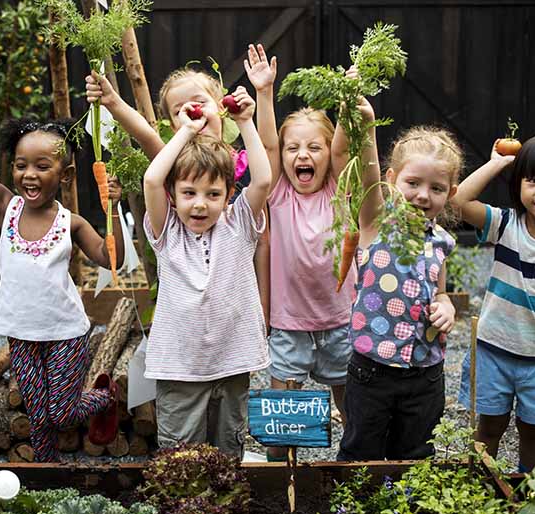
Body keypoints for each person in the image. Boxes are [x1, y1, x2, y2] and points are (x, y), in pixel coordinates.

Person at [0, 78, 124, 461]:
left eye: (42, 166)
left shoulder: (72, 223)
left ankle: (107, 397)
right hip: (22, 333)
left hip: (65, 333)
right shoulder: (8, 207)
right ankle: (46, 473)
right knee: (38, 416)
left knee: (61, 412)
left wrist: (113, 209)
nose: (29, 175)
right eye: (21, 166)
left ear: (65, 175)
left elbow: (110, 258)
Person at [86, 59, 271, 330]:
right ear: (174, 124)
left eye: (199, 101)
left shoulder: (242, 162)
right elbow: (147, 136)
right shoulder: (174, 164)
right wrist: (112, 101)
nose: (191, 109)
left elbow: (263, 230)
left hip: (231, 283)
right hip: (187, 280)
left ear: (221, 107)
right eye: (178, 109)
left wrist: (263, 307)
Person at [142, 85, 271, 458]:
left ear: (229, 194)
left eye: (213, 194)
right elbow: (152, 179)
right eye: (189, 193)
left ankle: (222, 509)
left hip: (233, 358)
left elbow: (262, 180)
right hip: (180, 365)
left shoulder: (239, 225)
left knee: (227, 445)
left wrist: (245, 122)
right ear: (173, 195)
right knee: (180, 450)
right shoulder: (167, 232)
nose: (200, 204)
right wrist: (185, 130)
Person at [246, 48, 356, 460]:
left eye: (314, 147)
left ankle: (355, 465)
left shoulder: (340, 190)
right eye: (295, 149)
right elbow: (269, 147)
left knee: (352, 407)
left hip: (340, 321)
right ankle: (281, 475)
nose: (302, 156)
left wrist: (348, 98)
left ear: (329, 155)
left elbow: (347, 149)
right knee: (283, 421)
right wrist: (265, 92)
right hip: (289, 324)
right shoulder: (277, 194)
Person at [337, 99, 461, 459]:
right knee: (361, 452)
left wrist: (446, 307)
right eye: (413, 183)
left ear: (450, 194)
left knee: (416, 454)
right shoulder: (376, 222)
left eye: (437, 188)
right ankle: (354, 513)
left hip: (425, 374)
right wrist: (369, 125)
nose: (423, 195)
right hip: (372, 371)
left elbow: (440, 293)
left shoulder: (442, 241)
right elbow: (367, 172)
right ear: (392, 180)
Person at [454, 136, 535, 472]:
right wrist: (497, 163)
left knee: (533, 433)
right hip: (494, 349)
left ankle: (527, 501)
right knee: (489, 426)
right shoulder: (505, 225)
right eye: (533, 181)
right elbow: (457, 201)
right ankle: (477, 490)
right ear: (518, 182)